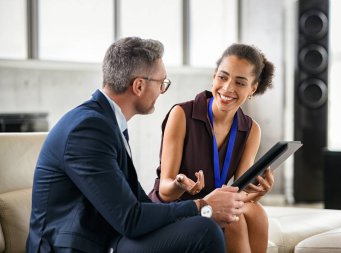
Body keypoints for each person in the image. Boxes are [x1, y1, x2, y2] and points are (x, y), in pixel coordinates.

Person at [26, 37, 247, 253]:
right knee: (203, 231)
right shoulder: (88, 129)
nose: (162, 91)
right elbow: (130, 218)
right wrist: (202, 206)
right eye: (162, 83)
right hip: (79, 245)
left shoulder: (106, 121)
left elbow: (139, 204)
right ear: (139, 86)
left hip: (110, 235)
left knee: (203, 226)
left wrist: (201, 206)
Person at [149, 43, 275, 253]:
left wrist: (258, 192)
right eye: (223, 77)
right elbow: (165, 191)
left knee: (257, 213)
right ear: (214, 76)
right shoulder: (182, 114)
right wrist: (180, 183)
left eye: (240, 82)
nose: (227, 88)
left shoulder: (251, 129)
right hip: (181, 210)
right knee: (233, 219)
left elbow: (239, 193)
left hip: (215, 208)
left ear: (253, 88)